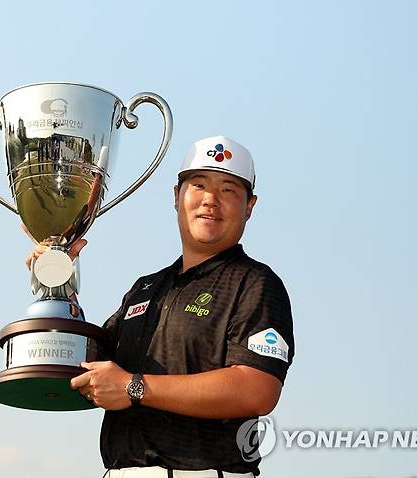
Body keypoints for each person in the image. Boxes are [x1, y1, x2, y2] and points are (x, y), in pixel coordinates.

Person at [25, 136, 294, 478]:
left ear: (250, 206)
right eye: (199, 185)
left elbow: (257, 389)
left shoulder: (255, 283)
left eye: (228, 190)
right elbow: (92, 363)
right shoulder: (146, 288)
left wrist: (135, 387)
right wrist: (58, 282)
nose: (211, 200)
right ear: (177, 197)